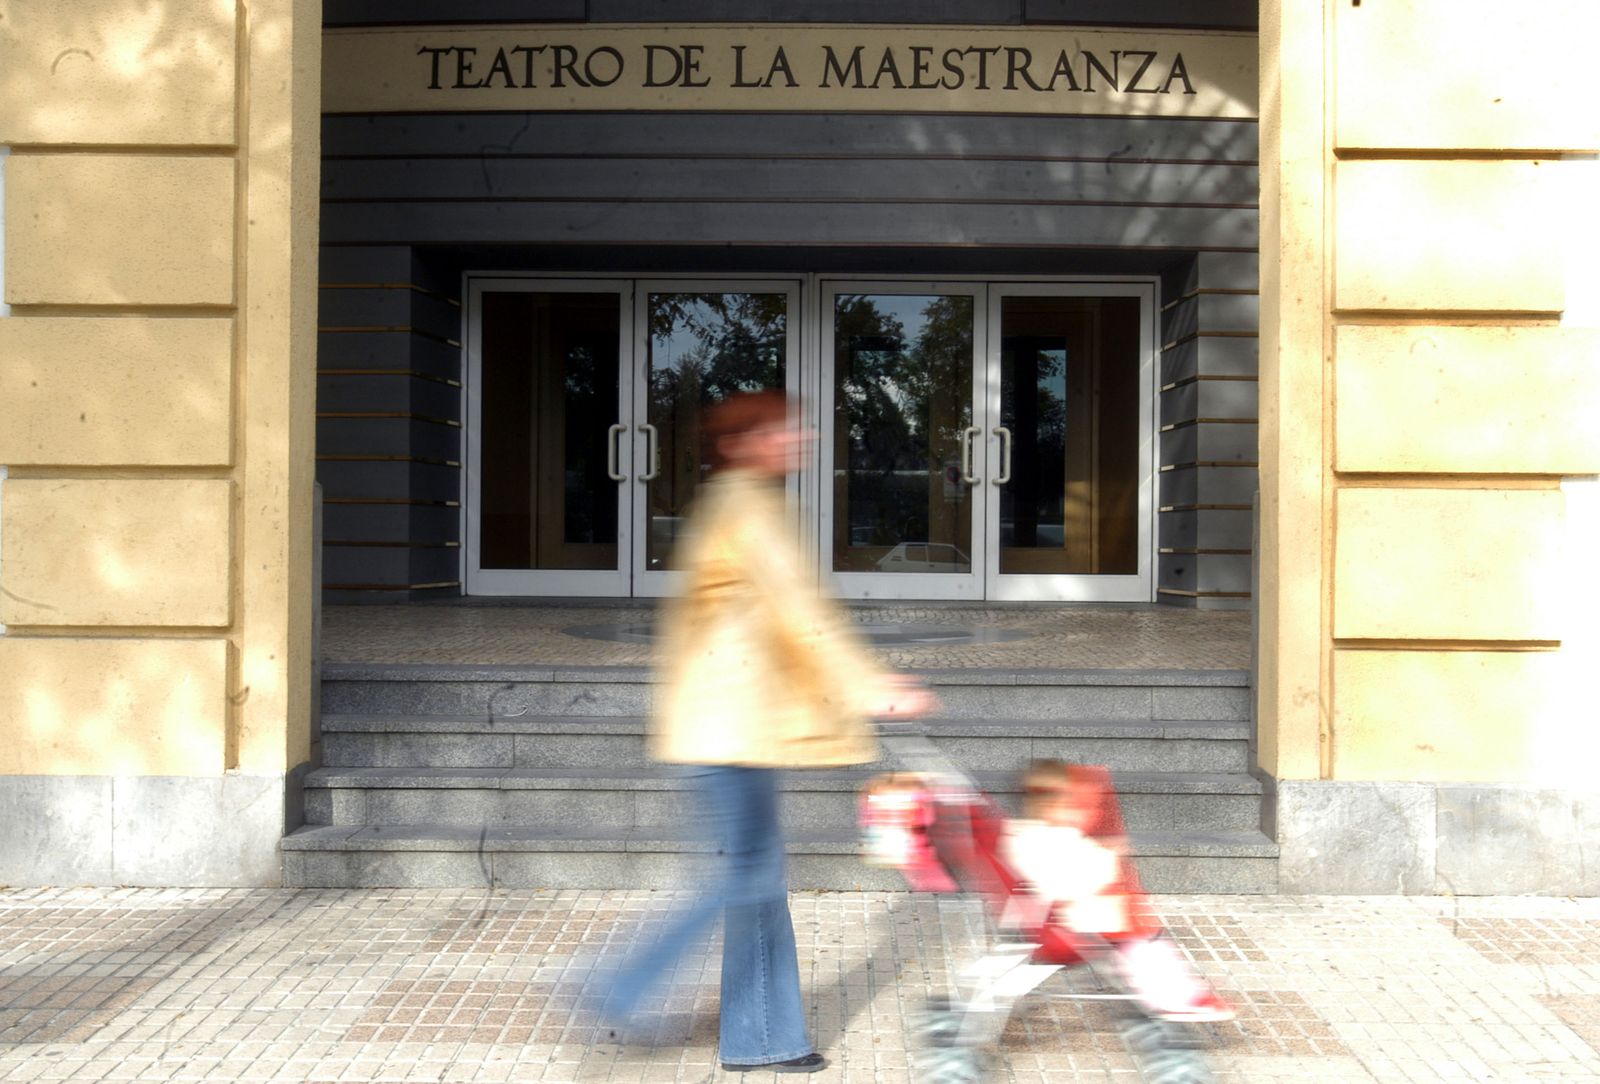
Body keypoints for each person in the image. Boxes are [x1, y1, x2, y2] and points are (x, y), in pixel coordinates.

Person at [603, 390, 934, 1073]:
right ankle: (617, 986)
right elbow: (803, 614)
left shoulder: (741, 502)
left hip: (732, 725)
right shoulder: (749, 510)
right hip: (726, 728)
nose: (799, 438)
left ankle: (763, 1038)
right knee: (740, 880)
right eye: (781, 430)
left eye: (796, 428)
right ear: (741, 444)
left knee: (754, 881)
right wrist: (873, 686)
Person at [1001, 760, 1233, 1022]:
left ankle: (1180, 991)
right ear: (1049, 805)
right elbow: (1067, 882)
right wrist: (1108, 859)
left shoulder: (1039, 835)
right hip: (1068, 922)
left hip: (1068, 914)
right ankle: (1174, 997)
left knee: (1144, 937)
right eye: (1068, 805)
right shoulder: (1042, 840)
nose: (1074, 812)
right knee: (1140, 943)